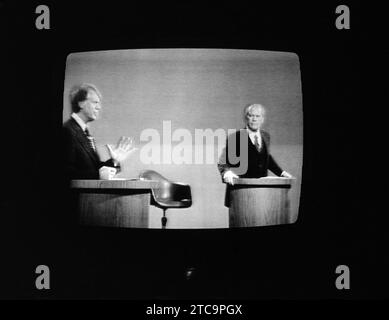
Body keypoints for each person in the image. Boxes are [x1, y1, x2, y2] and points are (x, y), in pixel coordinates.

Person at [218, 103, 293, 206]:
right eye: (251, 115)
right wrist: (227, 173)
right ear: (246, 118)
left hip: (262, 193)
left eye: (257, 116)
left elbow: (266, 158)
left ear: (262, 119)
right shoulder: (235, 137)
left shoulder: (265, 136)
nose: (254, 119)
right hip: (240, 194)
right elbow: (223, 161)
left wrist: (282, 173)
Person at [62, 83, 136, 180]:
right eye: (95, 102)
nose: (99, 107)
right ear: (81, 103)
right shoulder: (67, 131)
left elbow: (94, 168)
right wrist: (98, 176)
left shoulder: (83, 132)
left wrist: (114, 161)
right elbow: (65, 173)